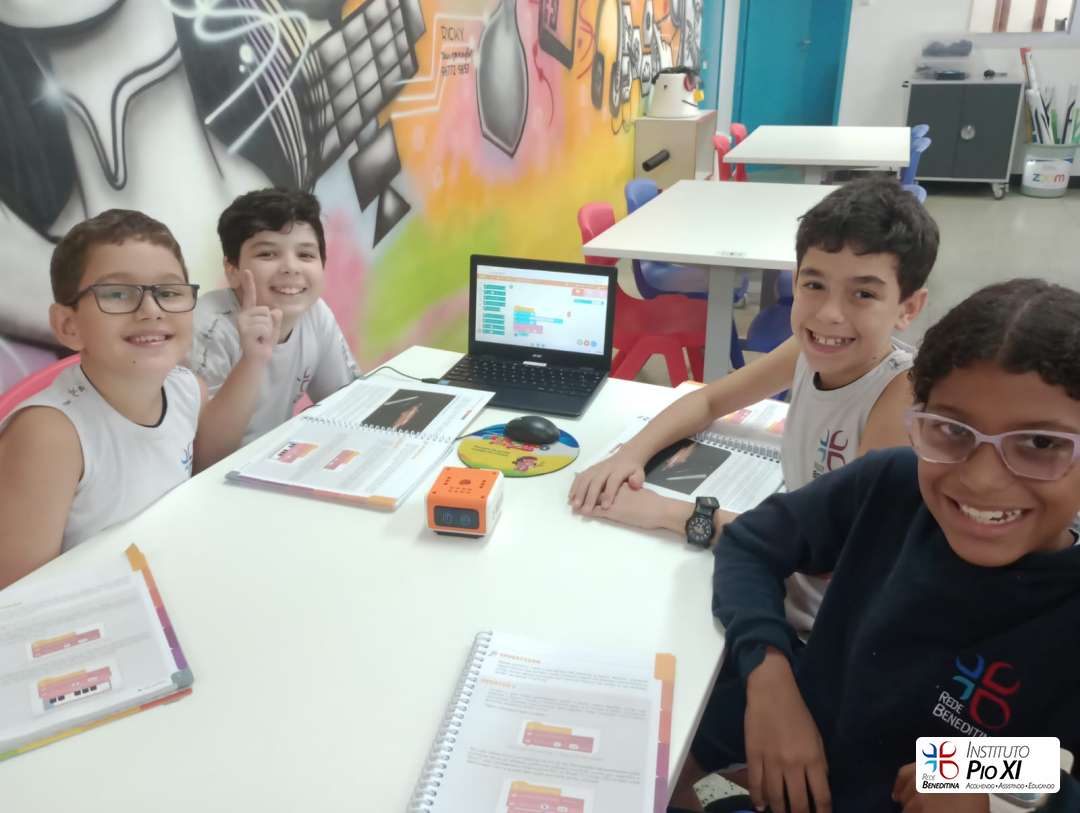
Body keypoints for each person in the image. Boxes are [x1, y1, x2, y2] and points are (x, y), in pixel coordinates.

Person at [677, 279, 1080, 813]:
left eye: (1041, 444)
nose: (982, 480)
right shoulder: (892, 485)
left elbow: (1061, 783)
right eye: (951, 430)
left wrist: (979, 780)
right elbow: (750, 544)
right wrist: (770, 678)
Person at [569, 176, 939, 634]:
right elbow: (709, 399)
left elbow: (830, 552)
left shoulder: (898, 397)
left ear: (908, 307)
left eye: (863, 294)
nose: (829, 314)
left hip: (811, 623)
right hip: (773, 572)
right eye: (814, 285)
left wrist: (667, 513)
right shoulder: (808, 349)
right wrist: (628, 455)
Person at [0, 211, 203, 588]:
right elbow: (16, 599)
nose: (151, 309)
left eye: (169, 292)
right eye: (117, 294)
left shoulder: (186, 388)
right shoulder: (49, 436)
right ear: (69, 326)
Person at [188, 188, 359, 466]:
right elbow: (203, 460)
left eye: (306, 255)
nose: (291, 267)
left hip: (274, 465)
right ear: (232, 270)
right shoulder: (210, 329)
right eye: (267, 254)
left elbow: (349, 407)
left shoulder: (315, 313)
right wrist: (252, 360)